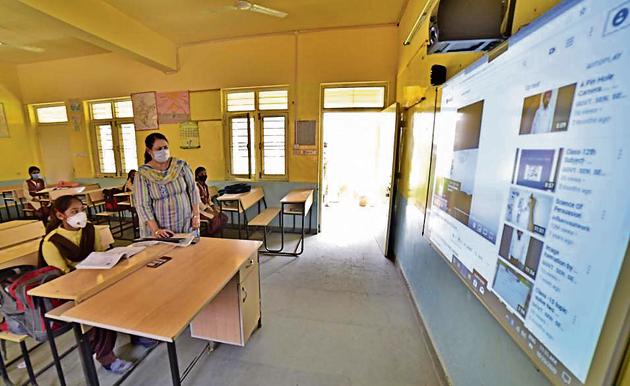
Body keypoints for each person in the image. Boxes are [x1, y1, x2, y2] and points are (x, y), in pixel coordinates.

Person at [40, 196, 134, 374]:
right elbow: (60, 276)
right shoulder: (51, 242)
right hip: (69, 288)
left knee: (131, 288)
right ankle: (105, 355)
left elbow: (100, 254)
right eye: (74, 212)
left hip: (95, 278)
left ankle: (138, 334)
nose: (81, 215)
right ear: (60, 216)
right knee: (103, 306)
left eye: (82, 210)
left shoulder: (90, 229)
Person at [134, 133, 200, 238]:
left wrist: (196, 215)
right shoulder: (143, 174)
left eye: (165, 147)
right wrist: (156, 230)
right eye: (158, 149)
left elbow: (193, 190)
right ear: (149, 151)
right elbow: (143, 205)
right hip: (161, 227)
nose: (163, 151)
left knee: (189, 251)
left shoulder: (179, 166)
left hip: (186, 221)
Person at [195, 166, 228, 235]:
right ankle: (209, 235)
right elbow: (199, 204)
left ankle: (215, 233)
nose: (204, 175)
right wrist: (211, 212)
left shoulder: (205, 186)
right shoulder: (195, 187)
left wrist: (214, 209)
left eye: (205, 173)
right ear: (197, 176)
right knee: (215, 218)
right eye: (202, 174)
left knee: (223, 217)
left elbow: (209, 200)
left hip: (207, 207)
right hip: (199, 210)